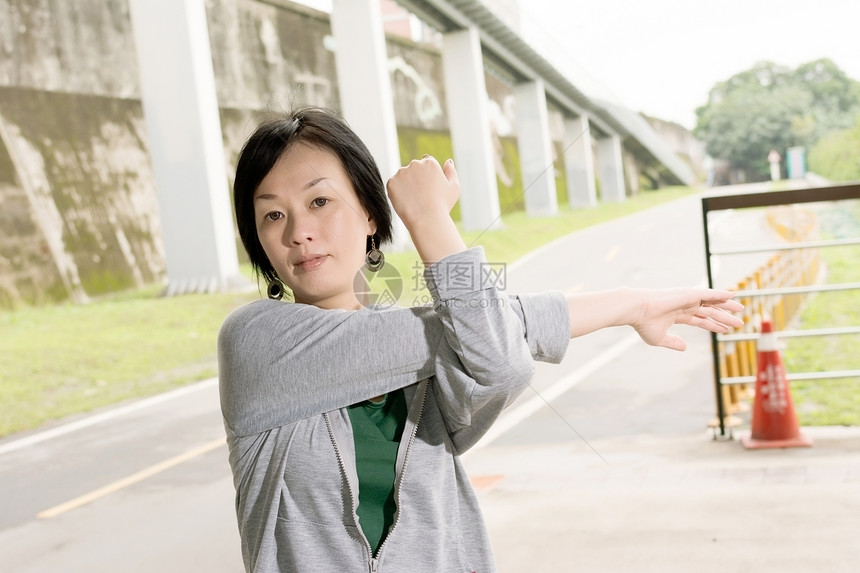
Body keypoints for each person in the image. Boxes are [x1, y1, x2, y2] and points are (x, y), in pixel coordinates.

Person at [218, 107, 743, 572]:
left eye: (319, 202)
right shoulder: (256, 343)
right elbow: (481, 338)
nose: (298, 232)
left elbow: (493, 353)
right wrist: (429, 219)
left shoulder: (432, 363)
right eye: (273, 215)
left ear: (371, 214)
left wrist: (634, 304)